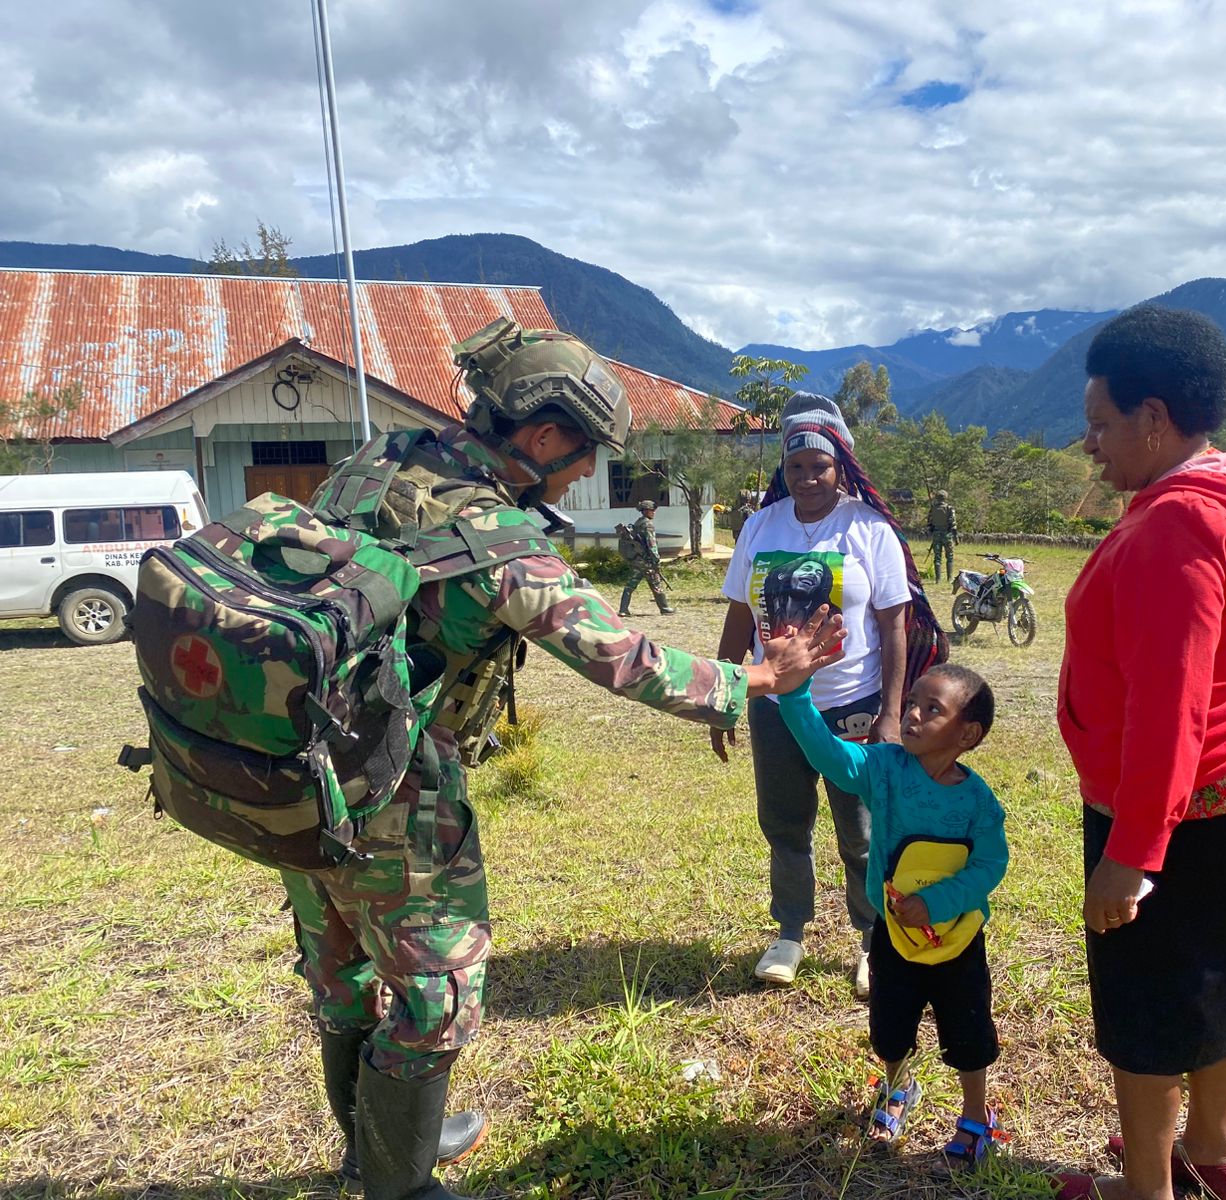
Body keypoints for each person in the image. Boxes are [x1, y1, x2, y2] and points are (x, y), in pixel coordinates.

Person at [284, 320, 845, 1200]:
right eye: (586, 455)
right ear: (542, 437)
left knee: (343, 967)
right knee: (436, 998)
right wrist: (756, 679)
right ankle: (401, 1185)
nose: (588, 473)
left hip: (300, 768)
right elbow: (625, 659)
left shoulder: (380, 458)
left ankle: (377, 1148)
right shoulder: (503, 544)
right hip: (398, 788)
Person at [1052, 306, 1226, 1200]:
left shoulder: (1174, 528)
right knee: (1218, 987)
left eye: (1100, 423)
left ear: (1153, 418)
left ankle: (1149, 1187)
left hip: (1175, 810)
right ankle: (1209, 1153)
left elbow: (1171, 706)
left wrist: (1130, 856)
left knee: (1150, 1006)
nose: (1090, 443)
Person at [713, 392, 946, 998]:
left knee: (861, 828)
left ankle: (870, 938)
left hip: (854, 707)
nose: (807, 478)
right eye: (795, 468)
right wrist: (723, 691)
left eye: (819, 466)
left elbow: (895, 625)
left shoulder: (868, 530)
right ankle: (790, 931)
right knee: (784, 820)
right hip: (774, 704)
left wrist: (891, 716)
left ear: (840, 464)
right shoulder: (762, 526)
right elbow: (740, 616)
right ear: (781, 471)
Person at [776, 661, 1008, 1165]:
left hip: (958, 940)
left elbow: (992, 865)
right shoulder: (884, 769)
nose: (913, 715)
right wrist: (795, 696)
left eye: (932, 709)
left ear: (968, 734)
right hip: (892, 934)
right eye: (911, 704)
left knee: (968, 1030)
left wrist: (938, 901)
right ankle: (898, 1087)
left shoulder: (978, 801)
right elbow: (828, 755)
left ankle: (976, 1114)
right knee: (890, 1023)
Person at [618, 498, 674, 615]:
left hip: (637, 559)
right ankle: (664, 608)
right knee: (656, 583)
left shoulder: (638, 522)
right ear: (646, 511)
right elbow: (651, 544)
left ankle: (623, 609)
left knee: (630, 584)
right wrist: (656, 560)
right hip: (647, 561)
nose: (654, 512)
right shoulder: (648, 525)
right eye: (652, 510)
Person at [926, 489, 958, 582]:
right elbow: (953, 524)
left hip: (936, 534)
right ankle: (950, 578)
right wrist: (956, 537)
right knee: (950, 556)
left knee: (937, 557)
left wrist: (932, 533)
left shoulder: (933, 508)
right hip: (947, 535)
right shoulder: (949, 508)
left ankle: (938, 579)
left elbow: (929, 523)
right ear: (945, 498)